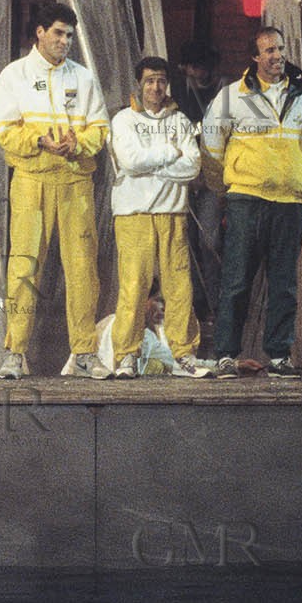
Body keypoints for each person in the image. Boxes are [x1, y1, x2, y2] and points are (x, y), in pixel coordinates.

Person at [0, 3, 110, 379]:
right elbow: (6, 131)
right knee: (25, 266)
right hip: (31, 179)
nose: (65, 41)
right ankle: (14, 352)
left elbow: (100, 128)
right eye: (59, 33)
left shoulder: (84, 78)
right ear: (40, 32)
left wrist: (79, 143)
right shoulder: (14, 75)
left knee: (82, 270)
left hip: (75, 181)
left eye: (70, 35)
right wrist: (39, 140)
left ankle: (85, 353)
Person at [201, 26, 302, 379]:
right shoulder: (231, 96)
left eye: (280, 49)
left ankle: (279, 355)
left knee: (284, 283)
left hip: (289, 201)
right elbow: (211, 148)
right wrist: (232, 186)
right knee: (236, 279)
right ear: (254, 57)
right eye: (268, 50)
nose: (276, 55)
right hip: (246, 200)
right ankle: (225, 353)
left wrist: (293, 177)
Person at [108, 56, 212, 379]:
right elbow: (130, 161)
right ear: (139, 84)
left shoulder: (180, 121)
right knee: (134, 285)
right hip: (133, 213)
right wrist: (169, 154)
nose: (156, 87)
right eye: (150, 80)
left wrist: (153, 164)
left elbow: (192, 165)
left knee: (179, 286)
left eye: (161, 81)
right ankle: (126, 354)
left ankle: (185, 353)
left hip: (172, 212)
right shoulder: (123, 120)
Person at [171, 39, 228, 329]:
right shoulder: (179, 92)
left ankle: (216, 304)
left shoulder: (224, 94)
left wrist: (215, 182)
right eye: (192, 69)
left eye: (202, 68)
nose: (198, 74)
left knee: (209, 243)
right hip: (185, 180)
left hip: (212, 182)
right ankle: (192, 304)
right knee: (183, 243)